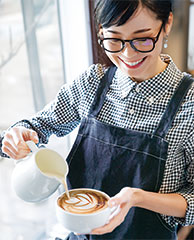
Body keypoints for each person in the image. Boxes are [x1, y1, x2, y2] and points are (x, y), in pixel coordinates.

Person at [1, 0, 194, 239]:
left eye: (142, 39)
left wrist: (138, 198)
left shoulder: (190, 104)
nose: (128, 54)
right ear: (101, 32)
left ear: (167, 24)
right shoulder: (91, 84)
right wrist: (19, 134)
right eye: (114, 40)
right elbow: (40, 125)